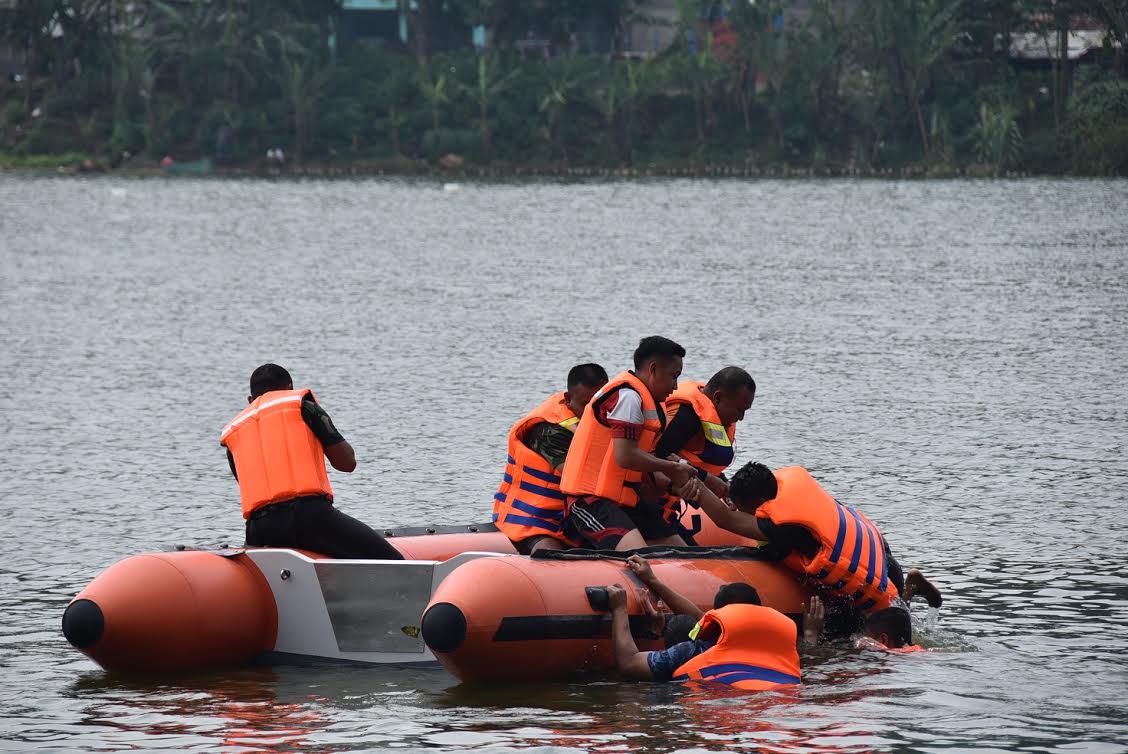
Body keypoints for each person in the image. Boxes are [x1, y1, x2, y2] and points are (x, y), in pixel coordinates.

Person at [676, 463, 942, 621]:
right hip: (882, 556)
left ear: (757, 503)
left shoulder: (783, 525)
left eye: (743, 507)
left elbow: (726, 521)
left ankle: (909, 591)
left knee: (884, 631)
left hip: (874, 579)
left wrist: (691, 486)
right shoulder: (784, 485)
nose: (741, 512)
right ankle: (911, 586)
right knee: (899, 614)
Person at [220, 363, 402, 560]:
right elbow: (347, 463)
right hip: (309, 517)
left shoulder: (234, 431)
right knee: (394, 562)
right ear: (289, 388)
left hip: (259, 530)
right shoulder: (303, 406)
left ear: (250, 400)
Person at [560, 336, 695, 551]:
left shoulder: (649, 402)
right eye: (673, 376)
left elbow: (644, 463)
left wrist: (677, 480)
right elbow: (626, 456)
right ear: (653, 369)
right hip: (591, 501)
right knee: (641, 557)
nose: (676, 385)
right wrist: (672, 468)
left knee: (682, 554)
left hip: (625, 501)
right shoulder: (628, 398)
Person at [602, 555, 803, 690]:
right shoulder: (784, 651)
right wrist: (653, 581)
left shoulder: (692, 651)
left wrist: (620, 608)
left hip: (710, 707)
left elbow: (628, 664)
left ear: (717, 618)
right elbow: (702, 621)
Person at [493, 363, 609, 554]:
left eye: (597, 404)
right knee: (550, 552)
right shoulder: (549, 431)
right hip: (535, 521)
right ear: (569, 398)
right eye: (585, 404)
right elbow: (578, 477)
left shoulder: (607, 422)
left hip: (574, 520)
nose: (592, 411)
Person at [653, 366, 757, 528]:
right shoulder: (687, 415)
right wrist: (708, 480)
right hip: (645, 502)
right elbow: (656, 456)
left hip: (668, 505)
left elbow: (693, 460)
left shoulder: (708, 414)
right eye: (739, 410)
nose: (741, 417)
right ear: (717, 397)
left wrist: (724, 485)